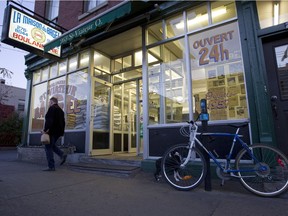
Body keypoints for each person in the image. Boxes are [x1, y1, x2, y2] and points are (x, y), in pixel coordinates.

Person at [42, 97, 67, 171]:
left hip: (52, 132)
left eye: (49, 102)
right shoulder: (61, 111)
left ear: (52, 102)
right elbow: (63, 123)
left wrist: (45, 130)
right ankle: (62, 154)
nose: (49, 103)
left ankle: (51, 166)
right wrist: (61, 133)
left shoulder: (52, 108)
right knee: (52, 145)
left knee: (48, 147)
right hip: (58, 132)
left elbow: (49, 120)